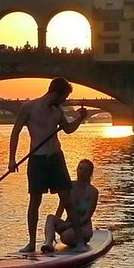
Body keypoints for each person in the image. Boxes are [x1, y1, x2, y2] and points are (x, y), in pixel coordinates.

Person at [8, 77, 88, 253]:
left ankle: (81, 242)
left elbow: (67, 130)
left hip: (56, 159)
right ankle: (31, 243)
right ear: (54, 93)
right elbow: (15, 133)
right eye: (64, 97)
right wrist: (11, 159)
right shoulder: (28, 108)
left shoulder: (57, 112)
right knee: (34, 201)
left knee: (68, 200)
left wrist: (80, 118)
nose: (65, 101)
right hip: (37, 160)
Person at [41, 159, 98, 253]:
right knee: (50, 218)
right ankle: (48, 243)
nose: (82, 172)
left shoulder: (92, 191)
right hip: (68, 226)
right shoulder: (69, 186)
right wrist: (56, 226)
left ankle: (79, 242)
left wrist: (68, 225)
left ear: (90, 173)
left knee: (65, 236)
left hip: (83, 228)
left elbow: (87, 217)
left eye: (86, 170)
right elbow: (61, 207)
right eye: (80, 169)